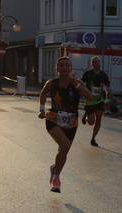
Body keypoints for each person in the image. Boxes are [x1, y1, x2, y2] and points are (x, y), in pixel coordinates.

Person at [38, 57, 93, 193]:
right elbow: (43, 93)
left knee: (63, 151)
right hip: (53, 119)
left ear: (71, 68)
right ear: (57, 68)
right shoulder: (52, 83)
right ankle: (56, 180)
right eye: (61, 65)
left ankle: (55, 170)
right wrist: (42, 109)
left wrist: (78, 86)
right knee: (65, 145)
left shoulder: (77, 83)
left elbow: (89, 97)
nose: (64, 67)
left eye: (67, 65)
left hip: (71, 122)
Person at [81, 56, 111, 147]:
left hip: (100, 100)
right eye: (95, 63)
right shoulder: (88, 74)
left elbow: (107, 86)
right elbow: (82, 83)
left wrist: (108, 95)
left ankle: (93, 139)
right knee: (91, 122)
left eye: (99, 62)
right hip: (90, 100)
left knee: (98, 120)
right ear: (92, 64)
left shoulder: (103, 74)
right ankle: (86, 115)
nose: (98, 64)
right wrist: (84, 93)